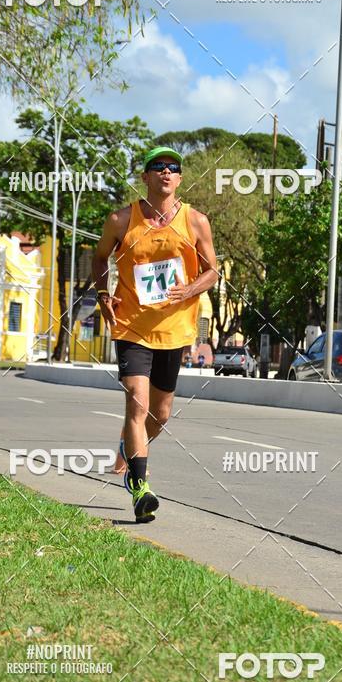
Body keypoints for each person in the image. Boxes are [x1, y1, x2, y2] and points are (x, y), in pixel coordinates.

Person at [92, 146, 218, 522]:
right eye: (158, 166)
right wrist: (102, 293)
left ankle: (128, 446)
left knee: (160, 415)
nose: (166, 171)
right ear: (145, 176)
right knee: (137, 403)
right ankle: (140, 488)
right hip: (132, 327)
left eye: (173, 168)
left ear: (179, 179)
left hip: (175, 330)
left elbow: (213, 271)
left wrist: (190, 289)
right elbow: (100, 258)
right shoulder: (120, 220)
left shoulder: (196, 222)